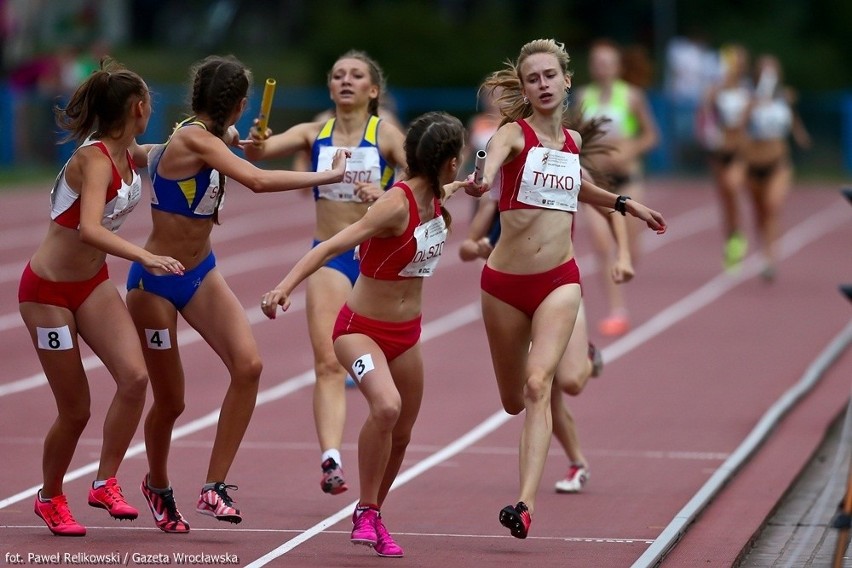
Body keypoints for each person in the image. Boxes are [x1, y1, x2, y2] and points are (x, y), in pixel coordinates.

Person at [126, 54, 349, 534]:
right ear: (242, 103)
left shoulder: (208, 137)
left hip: (200, 273)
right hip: (154, 286)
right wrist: (327, 176)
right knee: (171, 403)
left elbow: (232, 148)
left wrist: (238, 139)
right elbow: (257, 179)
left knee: (248, 367)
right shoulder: (190, 139)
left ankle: (214, 486)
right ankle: (158, 485)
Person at [466, 38, 666, 539]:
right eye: (533, 79)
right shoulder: (514, 134)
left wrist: (625, 204)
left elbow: (581, 187)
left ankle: (524, 504)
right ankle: (573, 361)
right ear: (526, 89)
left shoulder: (572, 142)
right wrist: (481, 175)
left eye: (550, 76)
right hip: (504, 285)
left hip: (559, 280)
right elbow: (491, 161)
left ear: (566, 81)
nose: (543, 85)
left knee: (539, 386)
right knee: (514, 399)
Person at [260, 111, 469, 558]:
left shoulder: (438, 196)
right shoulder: (396, 204)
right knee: (387, 406)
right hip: (360, 330)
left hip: (407, 334)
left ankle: (370, 510)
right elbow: (334, 244)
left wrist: (467, 187)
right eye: (460, 160)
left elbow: (447, 190)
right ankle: (367, 511)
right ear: (450, 161)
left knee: (404, 433)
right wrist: (284, 286)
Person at [19, 59, 185, 537]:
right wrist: (146, 256)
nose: (150, 109)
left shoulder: (125, 150)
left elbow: (155, 153)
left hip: (90, 286)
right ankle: (50, 497)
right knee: (76, 409)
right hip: (47, 293)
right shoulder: (92, 161)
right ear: (138, 107)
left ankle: (104, 481)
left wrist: (214, 146)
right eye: (149, 102)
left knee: (134, 379)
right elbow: (90, 228)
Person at [245, 50, 407, 496]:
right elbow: (257, 153)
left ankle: (382, 443)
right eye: (338, 75)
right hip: (329, 257)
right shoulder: (314, 132)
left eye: (357, 75)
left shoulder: (386, 134)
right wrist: (257, 138)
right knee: (328, 362)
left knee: (390, 370)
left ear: (373, 90)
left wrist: (388, 189)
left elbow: (420, 176)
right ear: (331, 87)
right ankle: (331, 459)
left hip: (378, 263)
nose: (346, 80)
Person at [459, 164, 634, 496]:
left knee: (569, 382)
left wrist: (623, 255)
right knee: (538, 390)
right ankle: (577, 462)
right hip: (511, 298)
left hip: (557, 289)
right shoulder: (500, 185)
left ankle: (586, 357)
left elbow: (612, 208)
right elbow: (467, 247)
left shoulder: (566, 168)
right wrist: (479, 247)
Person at [573, 38, 661, 337]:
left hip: (628, 180)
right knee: (602, 245)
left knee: (630, 251)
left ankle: (623, 274)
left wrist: (631, 149)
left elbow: (652, 136)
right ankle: (617, 309)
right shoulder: (584, 96)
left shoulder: (632, 96)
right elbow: (574, 136)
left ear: (618, 66)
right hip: (597, 182)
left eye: (608, 62)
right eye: (597, 62)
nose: (602, 67)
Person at [741, 53, 811, 281]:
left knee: (772, 206)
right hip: (753, 165)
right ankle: (765, 250)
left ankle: (770, 259)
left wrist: (800, 135)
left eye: (772, 70)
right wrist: (752, 105)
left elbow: (793, 121)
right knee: (760, 211)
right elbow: (739, 127)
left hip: (778, 164)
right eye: (763, 70)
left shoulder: (784, 97)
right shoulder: (749, 98)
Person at [698, 44, 752, 272]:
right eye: (733, 62)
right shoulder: (715, 90)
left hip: (741, 151)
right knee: (725, 200)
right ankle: (733, 237)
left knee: (732, 186)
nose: (737, 67)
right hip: (720, 152)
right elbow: (704, 116)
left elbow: (751, 122)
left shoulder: (748, 91)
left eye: (740, 63)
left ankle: (738, 235)